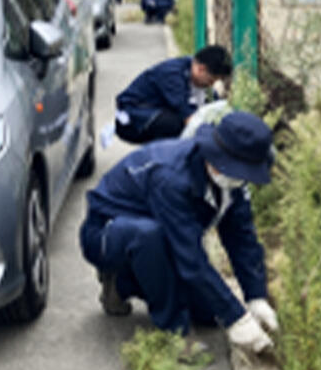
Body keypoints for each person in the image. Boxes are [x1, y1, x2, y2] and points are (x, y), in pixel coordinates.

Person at [79, 112, 278, 353]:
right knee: (149, 235)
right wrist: (237, 318)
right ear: (218, 158)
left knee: (208, 313)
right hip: (109, 232)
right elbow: (190, 258)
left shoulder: (230, 184)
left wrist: (256, 296)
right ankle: (173, 332)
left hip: (163, 234)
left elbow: (242, 237)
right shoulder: (171, 177)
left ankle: (127, 284)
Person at [114, 45, 232, 144]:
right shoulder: (172, 75)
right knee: (176, 124)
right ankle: (159, 159)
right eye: (211, 80)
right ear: (200, 69)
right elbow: (189, 118)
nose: (211, 85)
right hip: (132, 119)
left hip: (157, 112)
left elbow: (214, 108)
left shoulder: (197, 74)